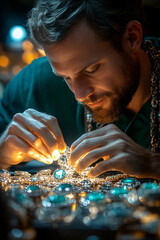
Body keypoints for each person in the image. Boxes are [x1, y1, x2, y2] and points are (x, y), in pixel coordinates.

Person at [0, 0, 160, 179]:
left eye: (91, 69)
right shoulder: (36, 82)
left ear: (132, 38)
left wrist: (152, 163)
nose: (79, 95)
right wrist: (2, 153)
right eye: (65, 77)